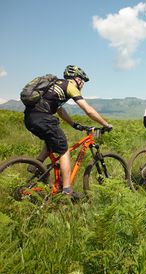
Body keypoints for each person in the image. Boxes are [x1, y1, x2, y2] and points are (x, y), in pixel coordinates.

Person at [24, 65, 112, 196]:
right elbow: (88, 110)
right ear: (77, 78)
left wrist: (74, 124)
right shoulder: (69, 86)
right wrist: (105, 124)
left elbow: (59, 109)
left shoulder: (55, 84)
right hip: (44, 118)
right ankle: (66, 189)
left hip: (30, 118)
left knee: (50, 143)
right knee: (64, 150)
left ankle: (36, 166)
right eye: (82, 80)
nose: (82, 83)